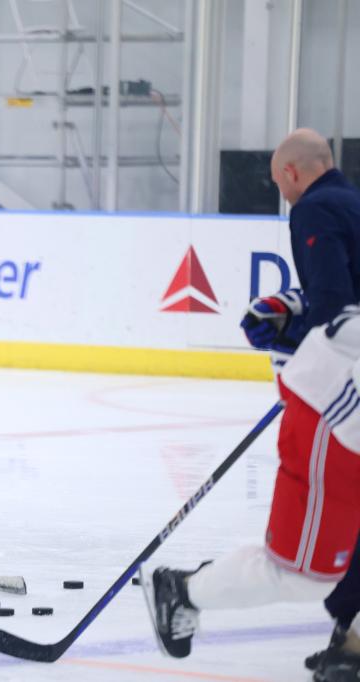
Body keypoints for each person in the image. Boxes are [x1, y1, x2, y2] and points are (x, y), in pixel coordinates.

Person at [150, 129, 360, 676]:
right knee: (299, 571)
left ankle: (353, 645)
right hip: (337, 406)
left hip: (334, 392)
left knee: (310, 570)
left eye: (278, 183)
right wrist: (303, 326)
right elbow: (338, 313)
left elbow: (337, 311)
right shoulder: (348, 202)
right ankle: (185, 591)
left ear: (291, 173)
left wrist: (296, 331)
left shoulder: (315, 210)